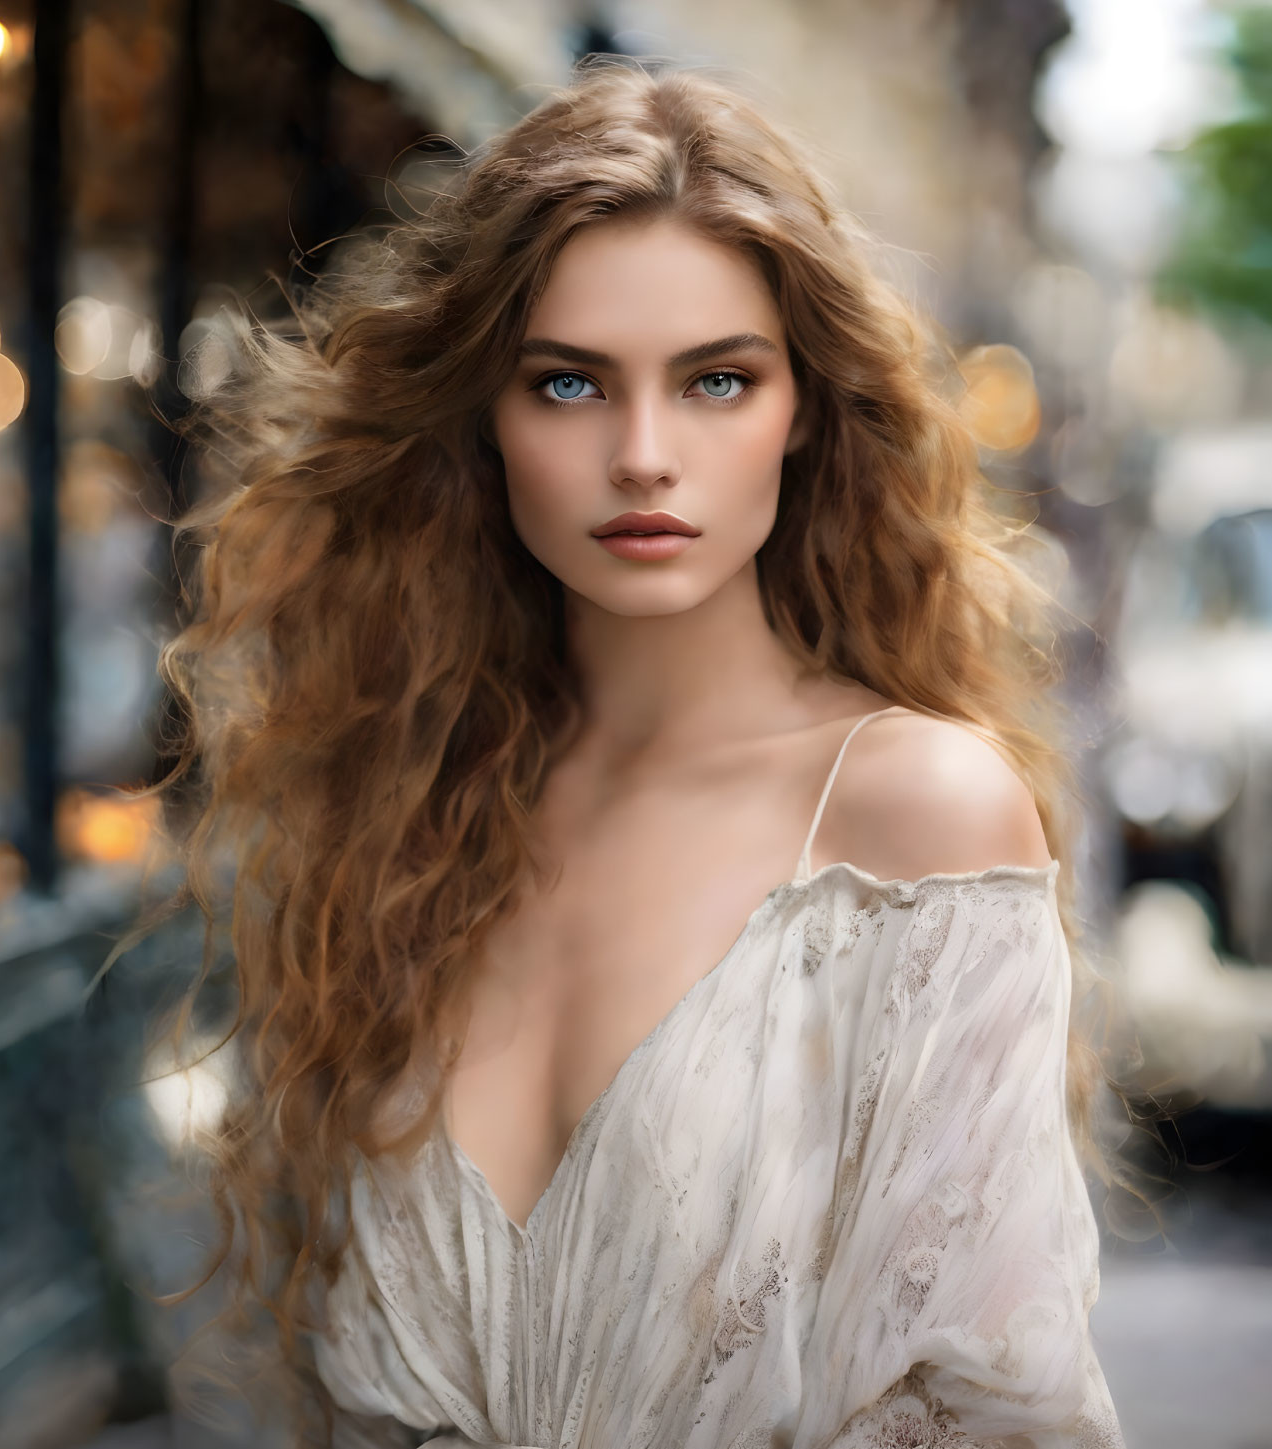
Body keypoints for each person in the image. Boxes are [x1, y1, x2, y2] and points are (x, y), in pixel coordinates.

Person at [144, 57, 1131, 1449]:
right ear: (483, 421)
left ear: (803, 412)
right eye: (568, 385)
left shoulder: (910, 813)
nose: (644, 454)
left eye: (717, 380)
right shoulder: (409, 819)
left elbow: (995, 1414)